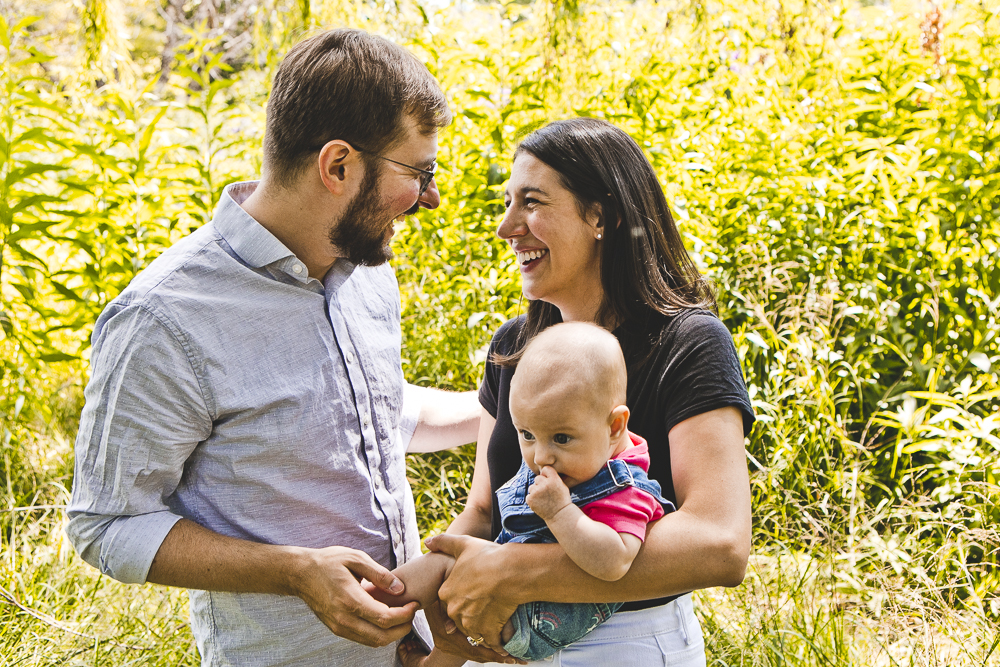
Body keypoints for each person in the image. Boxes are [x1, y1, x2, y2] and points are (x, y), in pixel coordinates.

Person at [66, 29, 495, 666]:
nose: (430, 196)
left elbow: (375, 416)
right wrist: (294, 571)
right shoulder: (164, 319)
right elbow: (106, 526)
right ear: (339, 166)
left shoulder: (368, 274)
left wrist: (511, 402)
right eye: (419, 171)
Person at [398, 117, 756, 667]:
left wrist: (511, 572)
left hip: (628, 645)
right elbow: (483, 511)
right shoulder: (513, 349)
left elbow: (720, 544)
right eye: (509, 202)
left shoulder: (687, 342)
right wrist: (432, 580)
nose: (507, 227)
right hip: (511, 640)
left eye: (533, 202)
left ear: (601, 216)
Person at [371, 321, 674, 664]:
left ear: (615, 426)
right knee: (447, 574)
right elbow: (483, 513)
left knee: (442, 566)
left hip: (542, 620)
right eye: (527, 434)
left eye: (561, 438)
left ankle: (374, 599)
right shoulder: (565, 461)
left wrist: (560, 513)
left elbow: (615, 560)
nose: (541, 456)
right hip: (512, 604)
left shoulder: (627, 488)